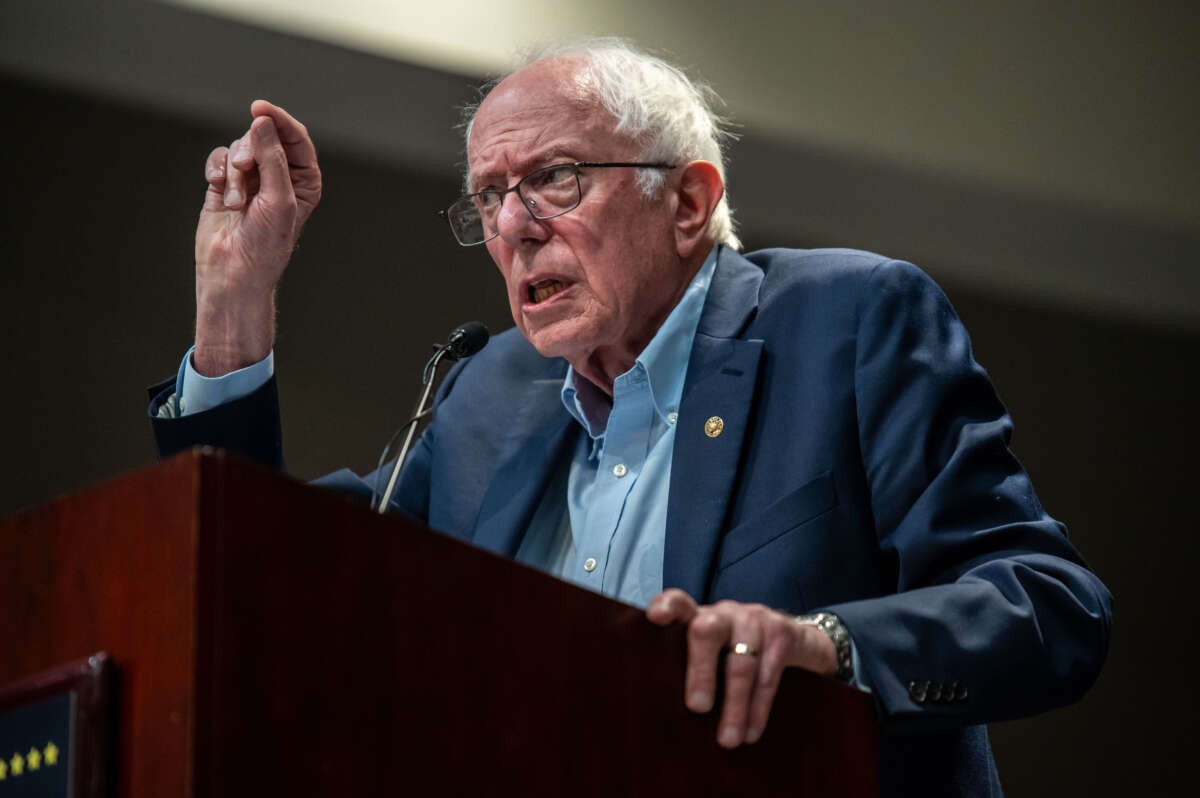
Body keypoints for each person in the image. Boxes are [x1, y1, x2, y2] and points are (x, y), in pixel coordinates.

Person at [149, 38, 1111, 795]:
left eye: (556, 178)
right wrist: (232, 300)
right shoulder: (488, 395)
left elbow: (1048, 603)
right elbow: (262, 575)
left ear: (688, 203)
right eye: (489, 197)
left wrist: (831, 644)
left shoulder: (848, 324)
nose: (514, 226)